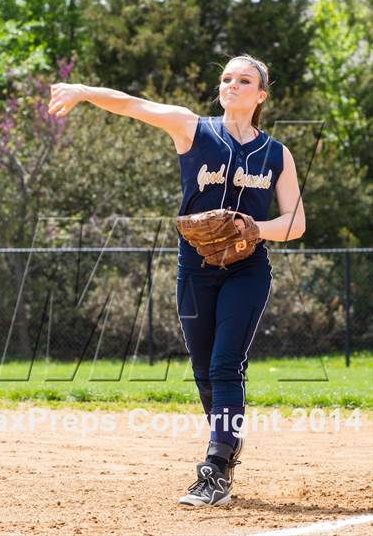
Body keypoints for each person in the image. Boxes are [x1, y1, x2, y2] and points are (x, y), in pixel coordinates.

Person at [48, 54, 306, 507]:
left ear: (260, 94)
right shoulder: (192, 128)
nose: (231, 84)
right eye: (226, 77)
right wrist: (84, 92)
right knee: (205, 370)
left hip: (248, 269)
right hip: (195, 268)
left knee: (227, 364)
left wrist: (254, 228)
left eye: (244, 80)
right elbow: (133, 105)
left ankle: (216, 466)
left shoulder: (276, 154)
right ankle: (226, 444)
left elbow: (296, 223)